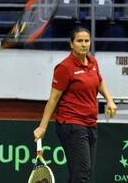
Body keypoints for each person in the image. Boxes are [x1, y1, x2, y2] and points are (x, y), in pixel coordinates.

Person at [33, 27, 117, 183]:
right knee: (82, 173)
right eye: (79, 41)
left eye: (86, 41)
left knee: (81, 172)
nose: (84, 44)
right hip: (71, 124)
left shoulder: (92, 62)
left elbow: (99, 82)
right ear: (71, 44)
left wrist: (110, 100)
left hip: (90, 123)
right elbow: (53, 99)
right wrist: (42, 127)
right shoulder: (64, 68)